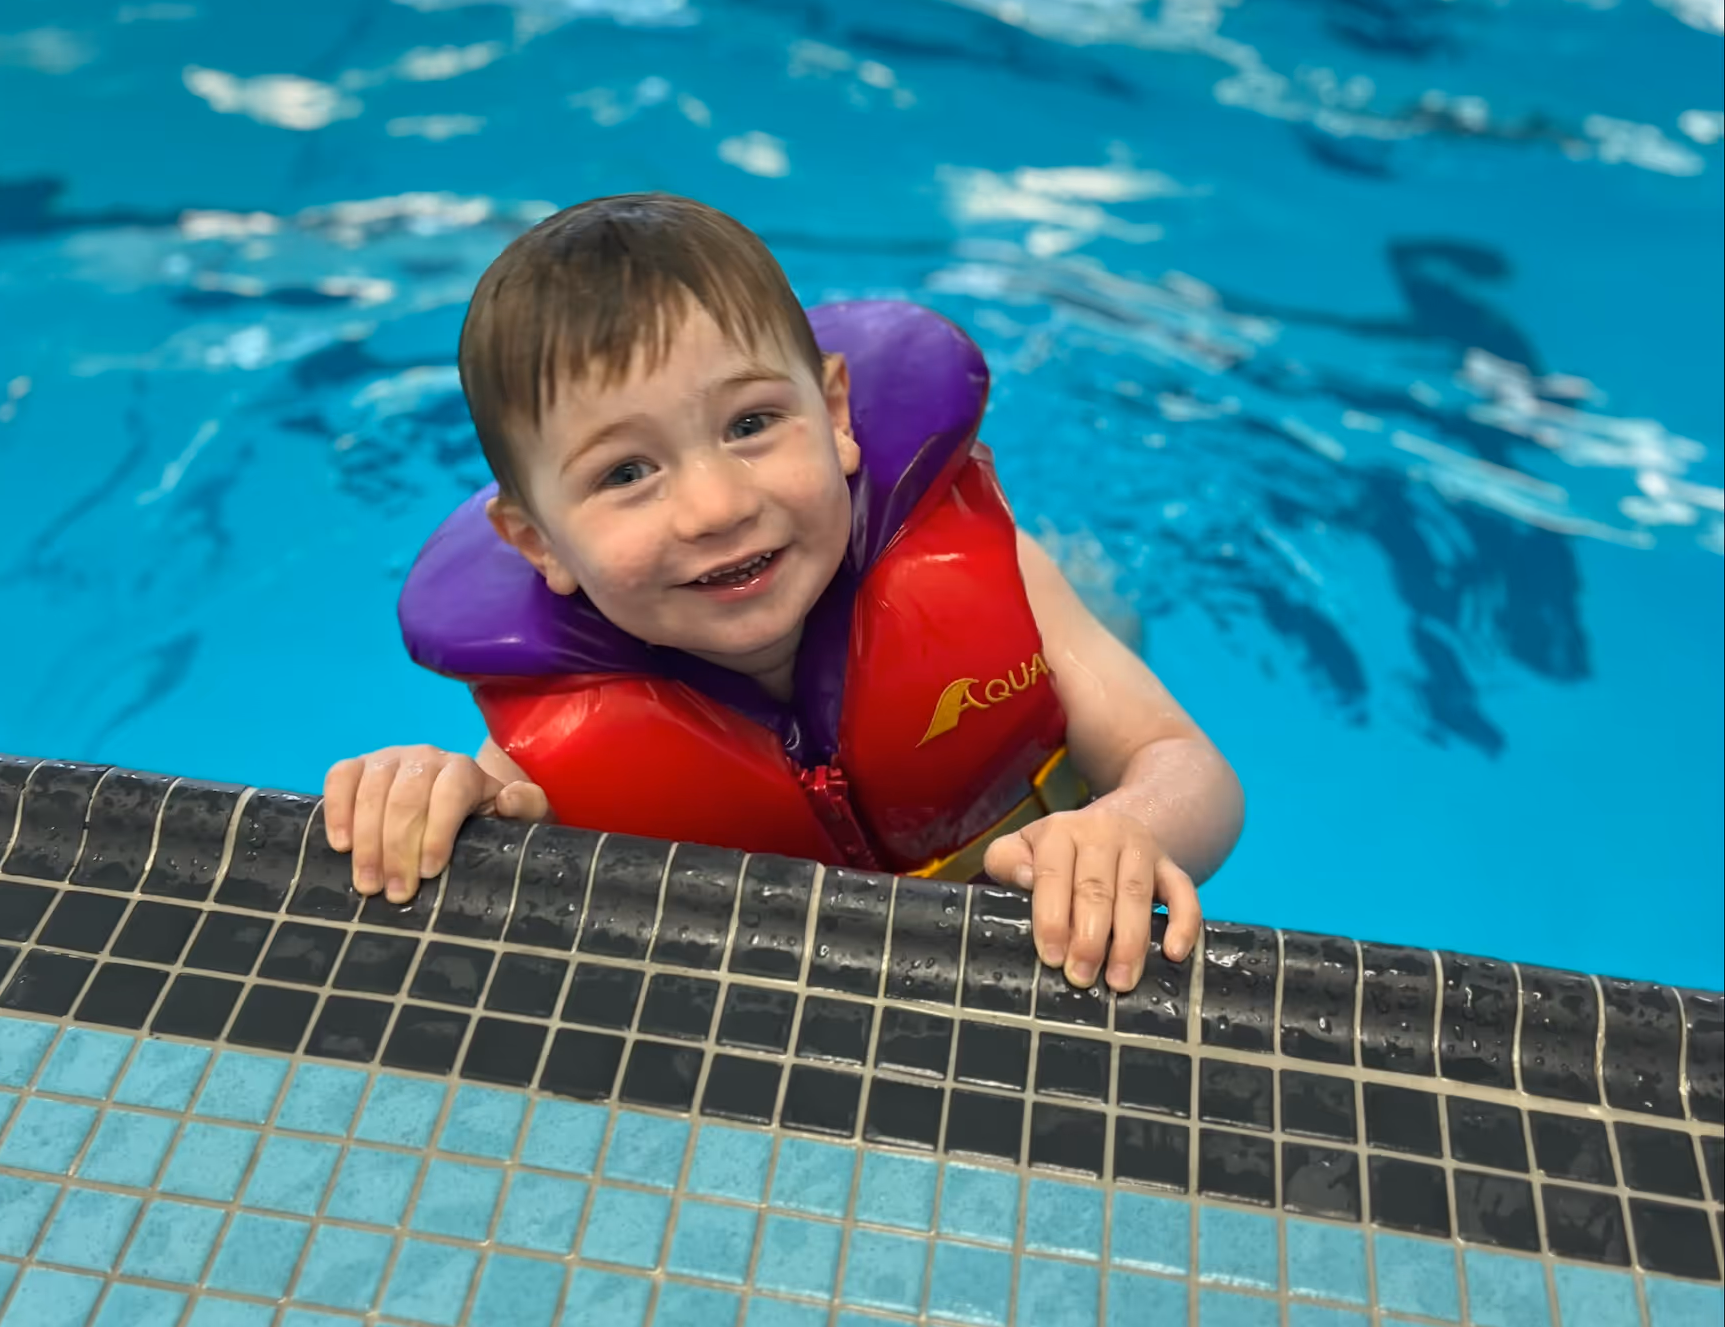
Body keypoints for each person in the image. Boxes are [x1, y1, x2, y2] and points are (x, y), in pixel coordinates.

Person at [324, 195, 1242, 996]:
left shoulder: (992, 577)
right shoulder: (556, 744)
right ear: (539, 545)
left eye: (753, 423)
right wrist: (430, 793)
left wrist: (1124, 828)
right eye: (627, 473)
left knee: (1099, 616)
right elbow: (474, 833)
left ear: (837, 417)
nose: (717, 507)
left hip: (1015, 755)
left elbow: (1184, 763)